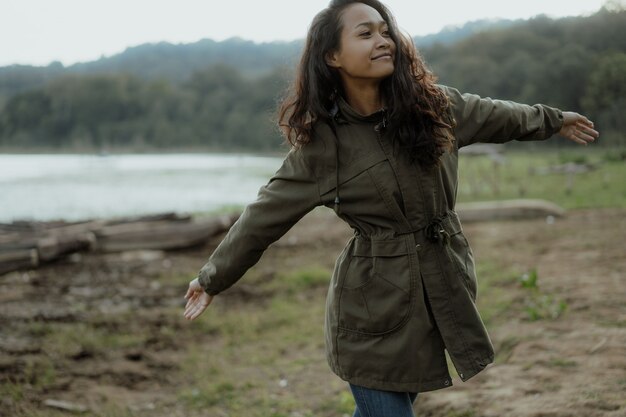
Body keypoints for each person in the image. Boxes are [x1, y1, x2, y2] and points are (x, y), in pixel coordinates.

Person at [183, 1, 599, 415]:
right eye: (365, 34)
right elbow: (261, 219)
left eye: (385, 31)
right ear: (332, 56)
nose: (383, 41)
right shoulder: (321, 149)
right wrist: (212, 277)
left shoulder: (434, 108)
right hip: (370, 312)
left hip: (439, 288)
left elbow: (499, 115)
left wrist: (554, 120)